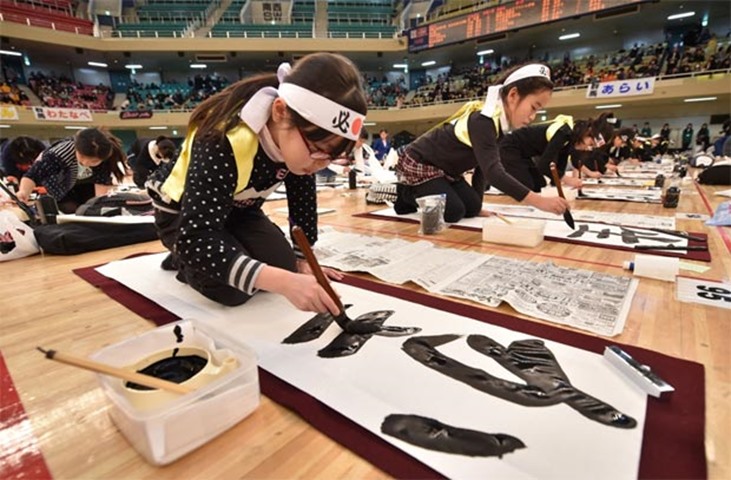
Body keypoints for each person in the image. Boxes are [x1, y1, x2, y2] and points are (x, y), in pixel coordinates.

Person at [146, 53, 367, 312]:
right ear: (280, 111)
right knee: (233, 289)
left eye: (332, 156)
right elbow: (197, 235)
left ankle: (227, 250)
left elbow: (303, 205)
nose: (321, 163)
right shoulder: (223, 139)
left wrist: (303, 259)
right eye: (318, 149)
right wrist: (285, 283)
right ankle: (181, 259)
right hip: (182, 216)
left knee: (284, 265)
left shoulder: (299, 147)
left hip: (239, 210)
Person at [393, 63, 567, 223]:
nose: (532, 116)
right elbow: (493, 173)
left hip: (447, 171)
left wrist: (477, 206)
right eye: (533, 107)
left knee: (471, 208)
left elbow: (482, 169)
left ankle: (430, 191)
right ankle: (406, 192)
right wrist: (538, 201)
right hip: (422, 162)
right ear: (513, 95)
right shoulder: (483, 121)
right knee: (453, 212)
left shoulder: (499, 125)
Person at [16, 127, 125, 213]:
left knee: (91, 207)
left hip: (87, 182)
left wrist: (99, 207)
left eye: (94, 161)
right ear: (76, 148)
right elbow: (33, 175)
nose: (86, 163)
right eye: (82, 157)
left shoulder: (104, 155)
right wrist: (24, 192)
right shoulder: (58, 154)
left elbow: (101, 185)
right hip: (61, 179)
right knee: (69, 208)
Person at [498, 113, 615, 191]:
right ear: (588, 132)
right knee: (528, 187)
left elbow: (561, 164)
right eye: (590, 144)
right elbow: (544, 165)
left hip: (524, 154)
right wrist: (567, 180)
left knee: (540, 185)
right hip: (510, 147)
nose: (588, 148)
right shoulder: (564, 133)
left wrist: (560, 183)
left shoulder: (571, 138)